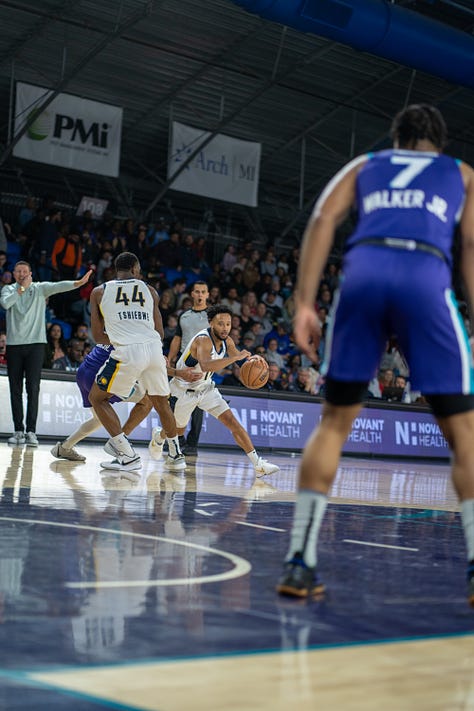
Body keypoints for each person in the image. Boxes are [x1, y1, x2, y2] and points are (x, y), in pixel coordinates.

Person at [275, 104, 474, 607]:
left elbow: (322, 219)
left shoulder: (365, 165)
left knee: (335, 423)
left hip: (363, 273)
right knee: (463, 432)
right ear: (439, 144)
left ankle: (299, 561)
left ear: (396, 139)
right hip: (425, 275)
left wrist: (303, 304)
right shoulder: (462, 174)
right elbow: (471, 246)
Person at [88, 252, 191, 472]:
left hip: (128, 351)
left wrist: (122, 338)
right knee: (161, 402)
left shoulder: (99, 292)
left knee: (97, 398)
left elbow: (98, 336)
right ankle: (175, 455)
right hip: (154, 349)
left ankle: (127, 455)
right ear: (135, 270)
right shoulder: (150, 291)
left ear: (117, 269)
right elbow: (160, 331)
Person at [148, 304, 280, 477]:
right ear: (211, 323)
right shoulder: (203, 340)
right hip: (183, 389)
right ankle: (159, 437)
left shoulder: (228, 341)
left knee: (232, 421)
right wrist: (234, 358)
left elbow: (240, 362)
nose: (225, 328)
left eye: (228, 324)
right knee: (176, 430)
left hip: (206, 387)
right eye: (220, 323)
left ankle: (258, 464)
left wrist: (255, 361)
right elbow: (205, 365)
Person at [51, 343, 198, 463]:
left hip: (85, 370)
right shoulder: (142, 337)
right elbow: (150, 367)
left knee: (99, 419)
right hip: (98, 375)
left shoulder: (121, 322)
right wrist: (178, 372)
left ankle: (65, 447)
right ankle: (121, 444)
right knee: (146, 401)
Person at [0, 260, 92, 446]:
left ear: (31, 273)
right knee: (15, 389)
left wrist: (78, 283)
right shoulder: (9, 290)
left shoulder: (40, 288)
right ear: (14, 273)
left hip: (36, 345)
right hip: (14, 345)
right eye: (18, 271)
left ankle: (31, 431)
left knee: (33, 389)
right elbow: (6, 304)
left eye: (25, 271)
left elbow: (58, 286)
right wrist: (22, 289)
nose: (22, 274)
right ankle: (18, 431)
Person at [167, 280, 210, 454]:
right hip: (183, 363)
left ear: (207, 295)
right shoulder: (183, 315)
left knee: (198, 405)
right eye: (197, 292)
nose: (200, 295)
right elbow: (177, 338)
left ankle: (192, 445)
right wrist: (170, 358)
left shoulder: (213, 316)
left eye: (203, 292)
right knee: (174, 401)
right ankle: (175, 439)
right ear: (191, 294)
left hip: (203, 364)